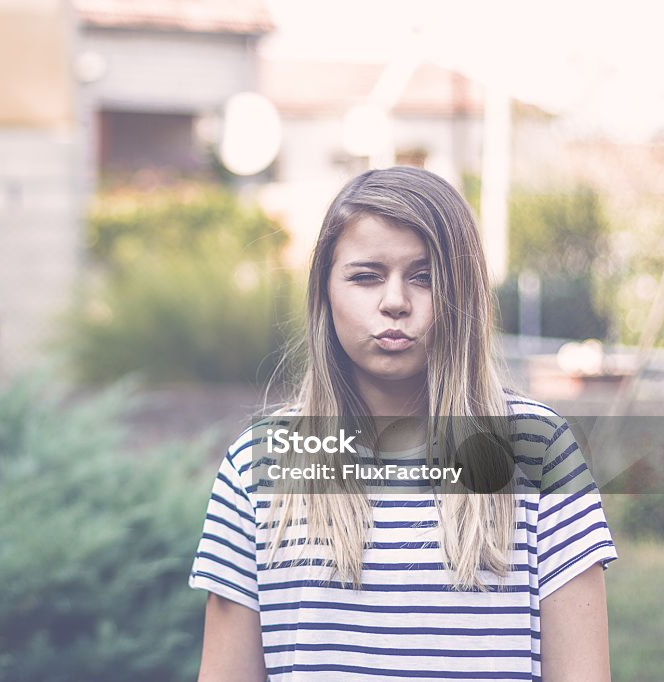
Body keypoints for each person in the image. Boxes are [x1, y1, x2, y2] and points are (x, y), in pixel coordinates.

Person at [189, 167, 618, 681]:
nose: (395, 301)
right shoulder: (260, 460)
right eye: (366, 276)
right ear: (324, 293)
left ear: (464, 296)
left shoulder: (537, 448)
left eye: (424, 277)